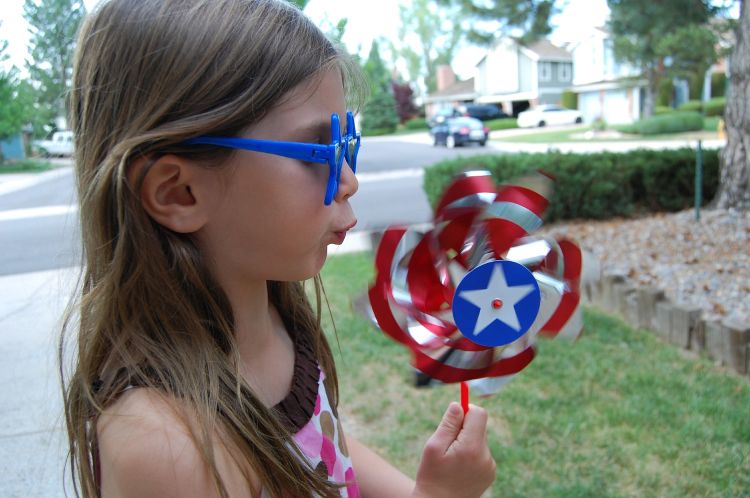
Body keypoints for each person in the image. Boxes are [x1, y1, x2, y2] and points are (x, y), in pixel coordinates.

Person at [61, 1, 497, 497]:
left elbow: (323, 449)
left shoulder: (273, 310)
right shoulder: (166, 448)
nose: (350, 181)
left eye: (346, 144)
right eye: (320, 152)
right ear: (178, 193)